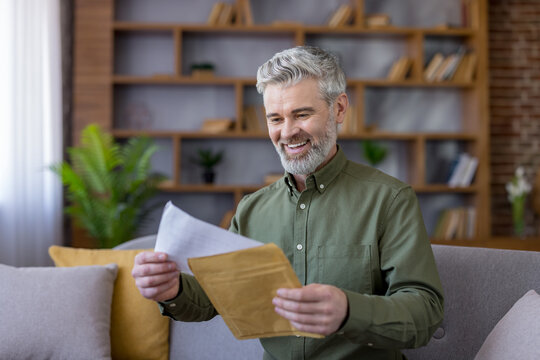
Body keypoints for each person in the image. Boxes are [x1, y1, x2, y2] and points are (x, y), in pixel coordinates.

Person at [132, 46, 444, 359]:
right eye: (275, 118)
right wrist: (172, 289)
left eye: (302, 114)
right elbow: (215, 297)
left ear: (339, 109)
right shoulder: (251, 210)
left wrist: (350, 310)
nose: (287, 132)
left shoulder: (390, 200)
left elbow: (425, 312)